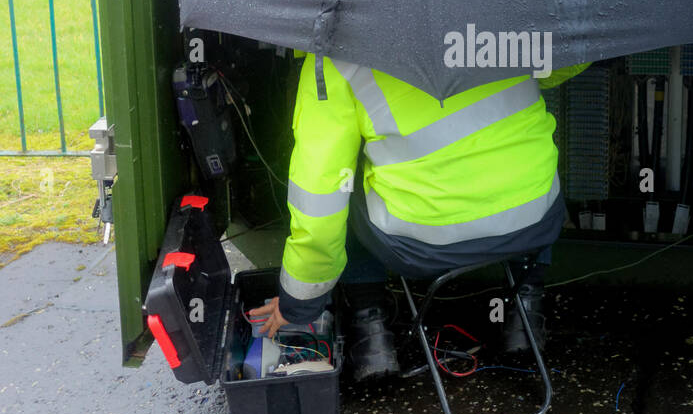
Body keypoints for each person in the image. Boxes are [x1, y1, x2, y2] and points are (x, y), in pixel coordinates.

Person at [249, 53, 588, 381]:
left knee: (344, 179)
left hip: (422, 244)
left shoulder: (335, 52)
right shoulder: (502, 5)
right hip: (534, 219)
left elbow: (320, 199)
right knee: (520, 153)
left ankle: (372, 335)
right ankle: (526, 312)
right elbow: (566, 62)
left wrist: (299, 302)